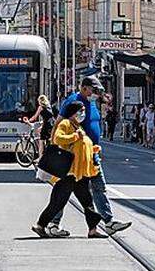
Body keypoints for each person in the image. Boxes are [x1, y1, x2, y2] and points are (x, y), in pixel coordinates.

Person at [53, 76, 131, 235]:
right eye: (93, 90)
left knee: (98, 187)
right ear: (84, 88)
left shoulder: (92, 103)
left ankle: (108, 222)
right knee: (65, 189)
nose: (95, 94)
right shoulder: (72, 102)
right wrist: (54, 149)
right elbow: (59, 124)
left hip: (91, 153)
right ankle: (53, 223)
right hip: (75, 155)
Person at [32, 101, 106, 239]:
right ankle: (40, 225)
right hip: (69, 173)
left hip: (80, 173)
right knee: (58, 201)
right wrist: (75, 136)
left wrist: (94, 149)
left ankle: (92, 229)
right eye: (81, 110)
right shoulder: (65, 123)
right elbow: (57, 138)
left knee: (87, 201)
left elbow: (82, 145)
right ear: (73, 112)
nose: (82, 113)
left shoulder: (77, 125)